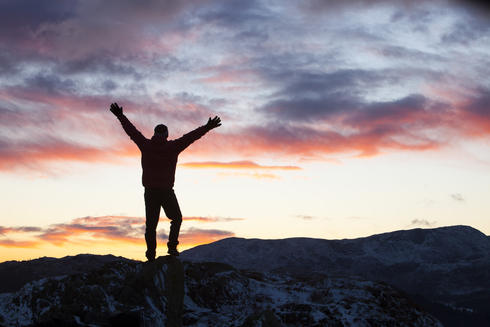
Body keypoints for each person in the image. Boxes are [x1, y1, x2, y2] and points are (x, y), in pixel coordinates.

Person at [110, 102, 221, 261]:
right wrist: (207, 127)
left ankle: (151, 255)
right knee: (176, 218)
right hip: (165, 191)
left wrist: (120, 116)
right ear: (166, 135)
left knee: (151, 226)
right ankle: (172, 247)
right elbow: (190, 137)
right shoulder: (173, 146)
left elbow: (132, 132)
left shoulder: (146, 145)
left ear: (155, 134)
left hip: (150, 192)